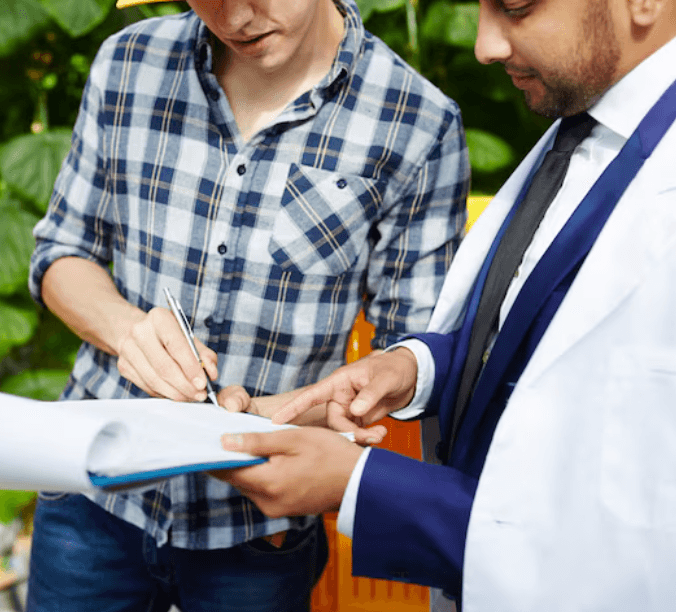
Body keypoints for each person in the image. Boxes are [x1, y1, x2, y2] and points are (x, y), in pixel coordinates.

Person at [214, 0, 676, 610]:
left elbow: (653, 560)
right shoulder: (591, 122)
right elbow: (546, 339)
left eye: (518, 7)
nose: (484, 46)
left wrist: (358, 485)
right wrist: (416, 369)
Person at [25, 0, 469, 608]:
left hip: (261, 532)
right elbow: (61, 251)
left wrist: (292, 412)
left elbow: (413, 350)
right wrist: (128, 331)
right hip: (92, 492)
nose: (236, 17)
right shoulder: (128, 61)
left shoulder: (417, 122)